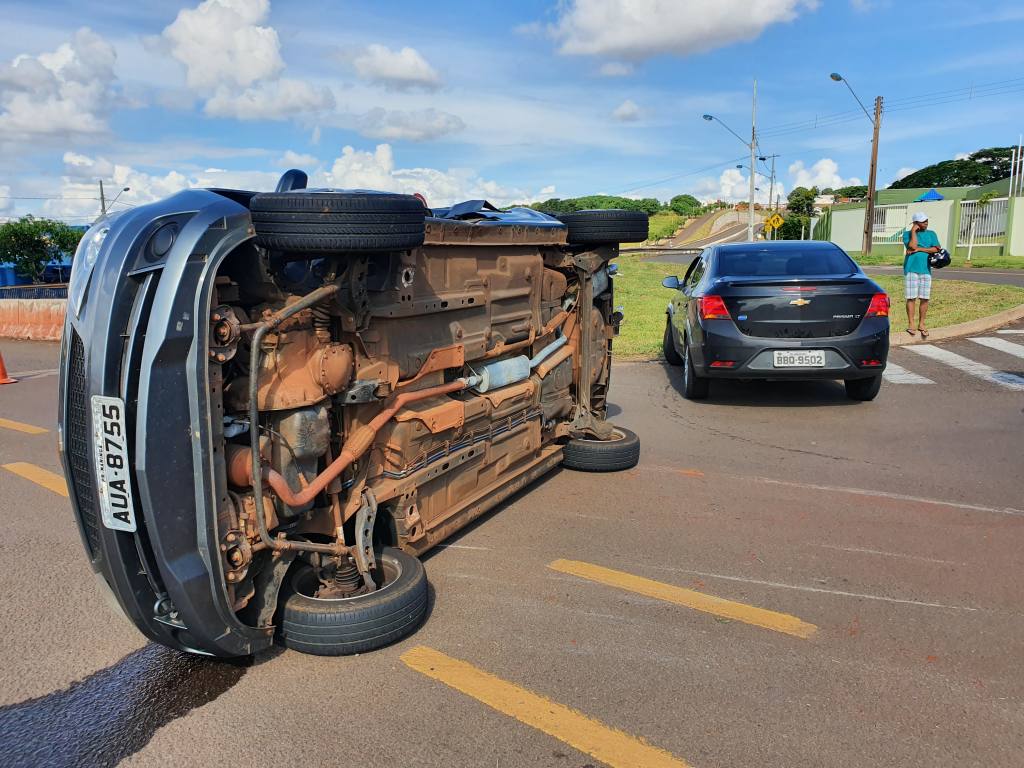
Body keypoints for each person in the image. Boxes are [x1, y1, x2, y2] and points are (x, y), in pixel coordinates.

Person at [902, 211, 941, 338]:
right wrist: (913, 231)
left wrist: (920, 249)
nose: (926, 223)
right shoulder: (907, 234)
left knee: (925, 298)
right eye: (923, 222)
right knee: (911, 297)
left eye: (926, 221)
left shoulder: (931, 234)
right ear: (916, 223)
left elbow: (936, 248)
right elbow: (912, 246)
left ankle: (922, 324)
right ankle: (911, 324)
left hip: (926, 270)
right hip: (911, 269)